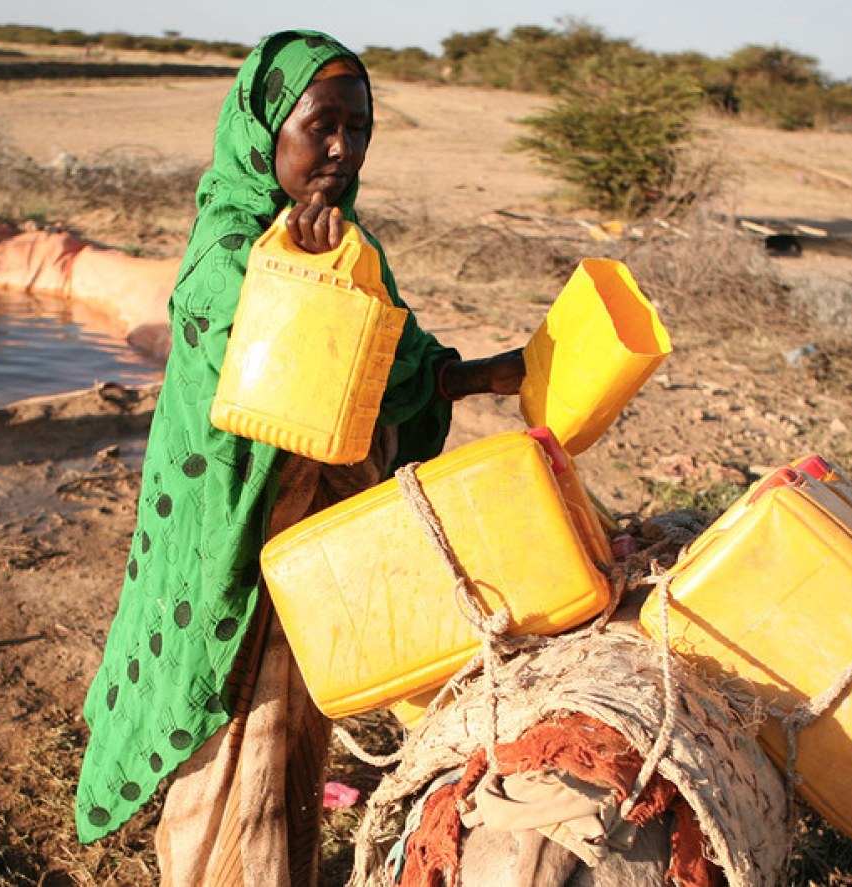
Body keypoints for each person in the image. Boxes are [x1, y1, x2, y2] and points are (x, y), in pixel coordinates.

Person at [75, 30, 525, 886]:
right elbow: (258, 364)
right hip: (235, 532)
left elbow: (387, 350)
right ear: (265, 127)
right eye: (321, 126)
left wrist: (469, 376)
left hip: (309, 533)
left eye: (358, 130)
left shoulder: (343, 240)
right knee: (241, 717)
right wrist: (299, 282)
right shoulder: (229, 245)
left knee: (294, 719)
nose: (341, 149)